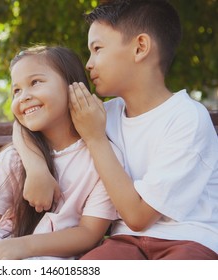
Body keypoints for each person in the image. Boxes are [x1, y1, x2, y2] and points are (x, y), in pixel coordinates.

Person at [14, 0, 218, 260]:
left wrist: (96, 138)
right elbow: (26, 123)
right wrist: (36, 169)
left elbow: (138, 217)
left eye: (97, 49)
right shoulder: (103, 114)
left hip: (189, 241)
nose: (88, 64)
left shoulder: (186, 118)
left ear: (140, 47)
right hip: (125, 244)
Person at [0, 45, 122, 260]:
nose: (24, 96)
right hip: (1, 248)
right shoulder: (13, 159)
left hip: (53, 255)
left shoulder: (103, 159)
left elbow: (89, 233)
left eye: (35, 82)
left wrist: (23, 247)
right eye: (16, 90)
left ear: (73, 87)